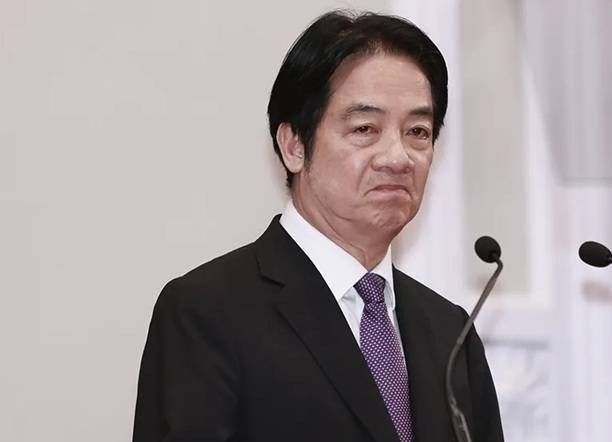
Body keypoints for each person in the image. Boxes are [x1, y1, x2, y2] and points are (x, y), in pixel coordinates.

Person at [133, 10, 503, 442]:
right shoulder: (207, 313)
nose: (398, 157)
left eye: (417, 132)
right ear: (294, 146)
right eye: (365, 128)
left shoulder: (450, 332)